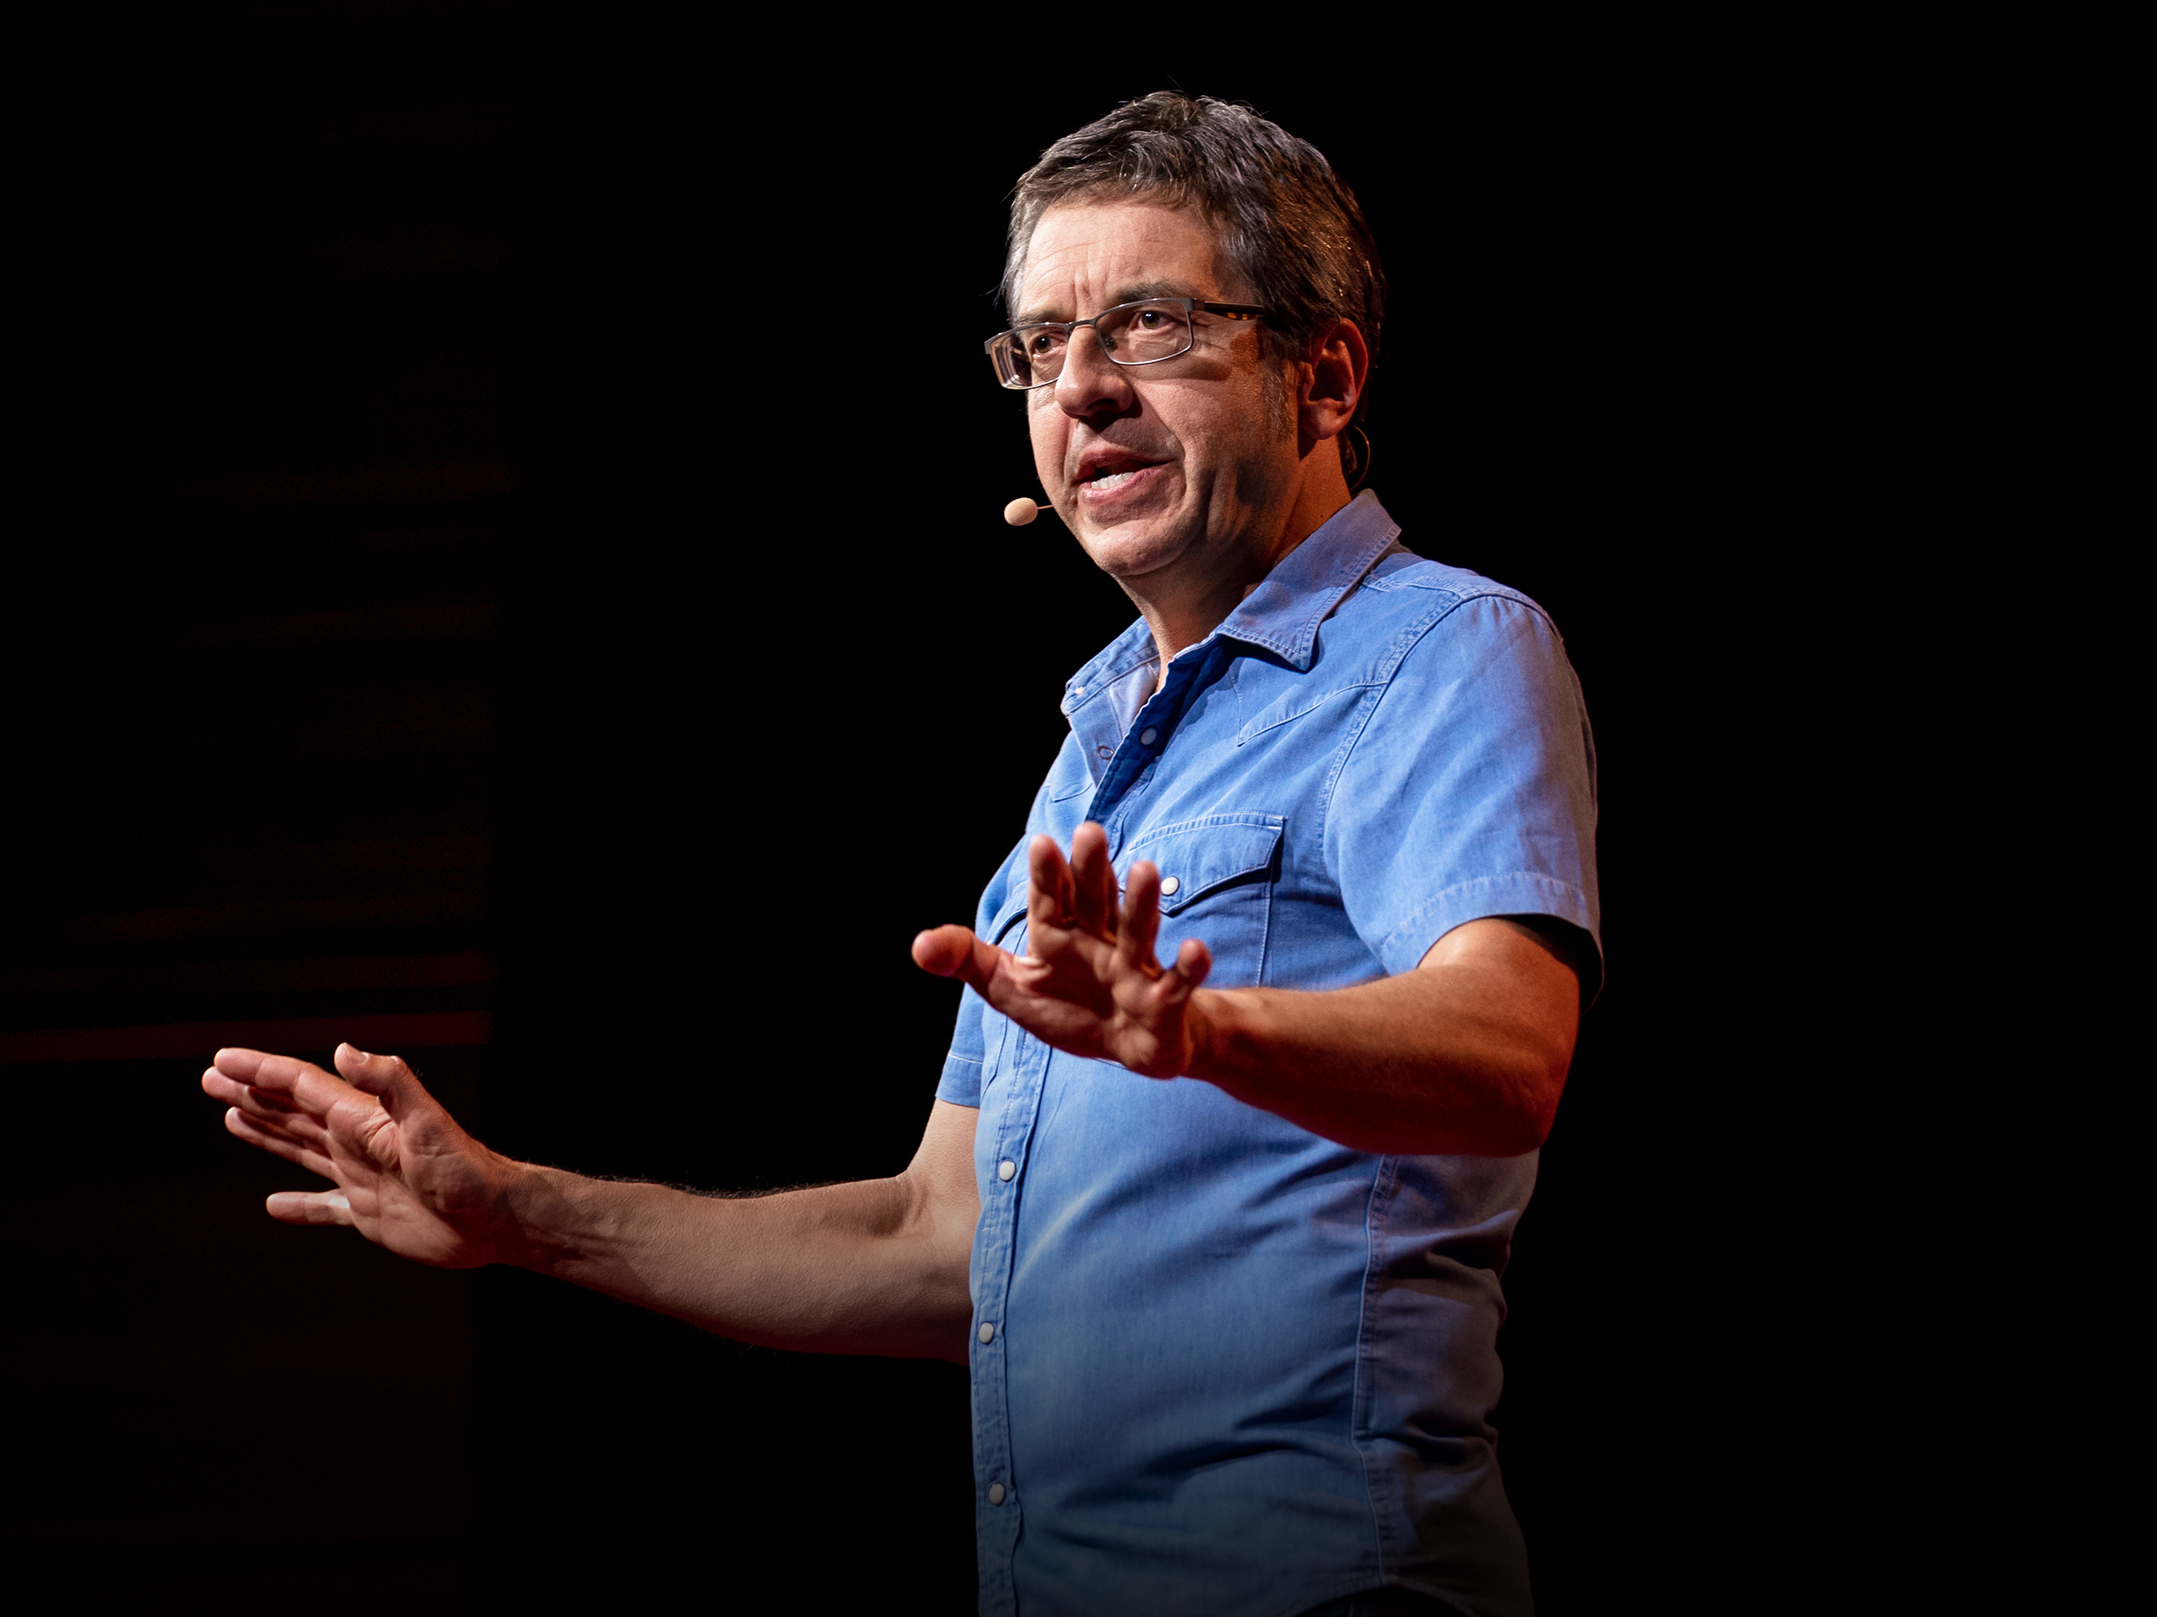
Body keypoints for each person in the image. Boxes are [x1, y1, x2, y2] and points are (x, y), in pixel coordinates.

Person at [203, 94, 1599, 1617]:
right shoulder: (1087, 765)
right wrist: (515, 1214)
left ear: (1321, 373)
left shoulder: (1437, 650)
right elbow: (935, 1242)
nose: (1082, 390)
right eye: (1041, 345)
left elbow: (1506, 1046)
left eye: (1145, 325)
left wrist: (1195, 1029)